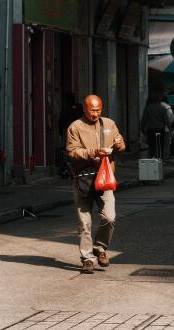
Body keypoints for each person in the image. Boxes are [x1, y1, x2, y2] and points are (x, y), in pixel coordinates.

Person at [66, 94, 125, 274]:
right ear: (84, 109)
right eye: (92, 110)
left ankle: (100, 248)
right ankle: (87, 258)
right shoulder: (75, 127)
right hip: (83, 179)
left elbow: (120, 147)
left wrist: (120, 143)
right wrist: (94, 152)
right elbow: (71, 151)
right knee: (84, 222)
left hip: (105, 178)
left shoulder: (109, 124)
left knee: (109, 217)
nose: (95, 114)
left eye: (98, 110)